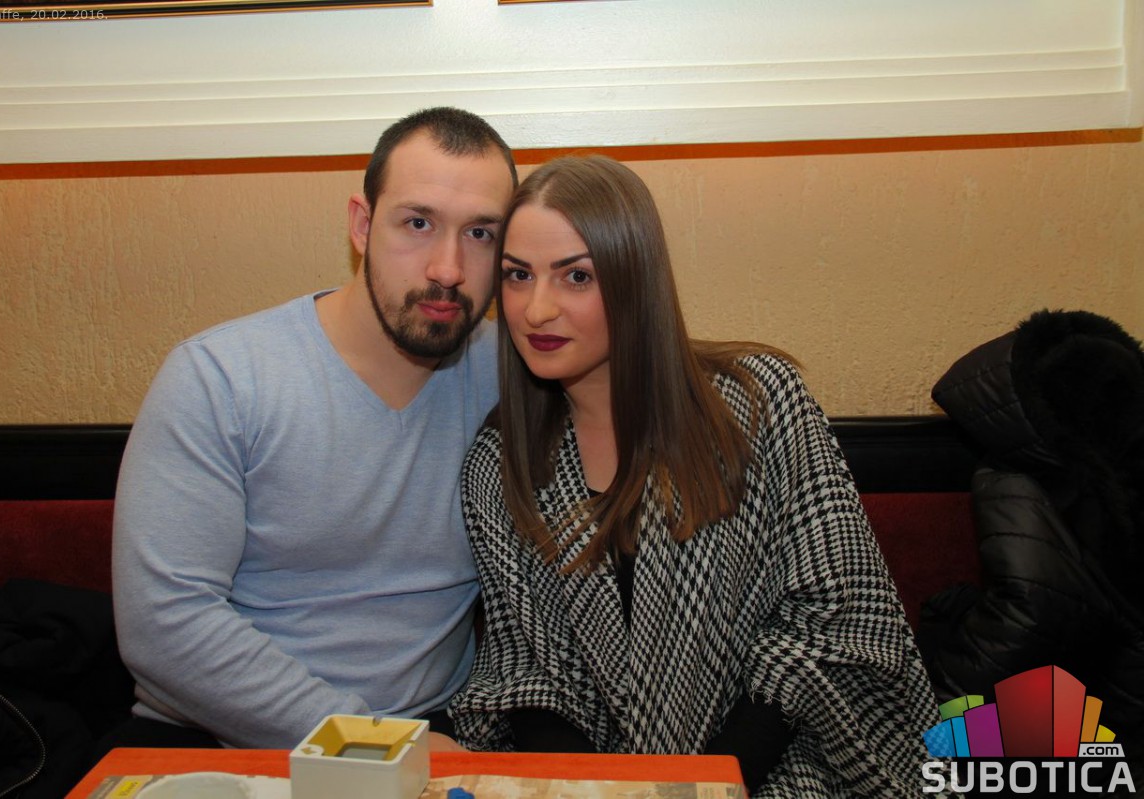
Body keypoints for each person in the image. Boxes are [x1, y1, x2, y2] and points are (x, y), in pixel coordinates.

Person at [448, 155, 939, 796]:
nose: (536, 309)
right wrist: (606, 792)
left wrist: (707, 785)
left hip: (782, 771)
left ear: (635, 279)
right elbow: (527, 673)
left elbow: (835, 622)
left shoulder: (757, 404)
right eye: (518, 275)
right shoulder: (500, 463)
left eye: (577, 276)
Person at [109, 107, 517, 751]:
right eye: (417, 223)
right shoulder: (222, 378)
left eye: (480, 234)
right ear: (362, 225)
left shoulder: (514, 378)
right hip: (219, 742)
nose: (447, 268)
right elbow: (164, 625)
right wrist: (373, 743)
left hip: (441, 734)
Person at [918, 309, 1144, 786]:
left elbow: (1032, 611)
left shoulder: (1029, 479)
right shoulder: (1040, 482)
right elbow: (1034, 610)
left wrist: (931, 730)